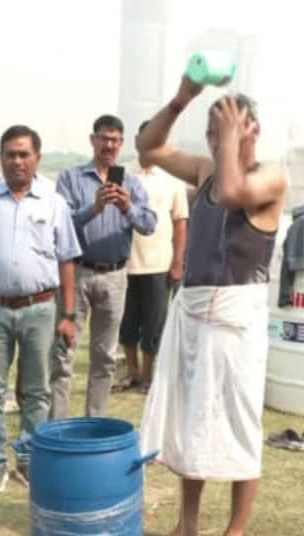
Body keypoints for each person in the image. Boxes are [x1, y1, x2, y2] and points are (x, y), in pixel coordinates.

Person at [136, 79, 286, 536]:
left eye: (222, 127)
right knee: (190, 420)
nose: (213, 137)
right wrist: (183, 98)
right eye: (210, 129)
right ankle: (188, 529)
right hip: (195, 312)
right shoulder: (204, 171)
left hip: (236, 319)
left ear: (251, 130)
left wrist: (230, 143)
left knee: (241, 420)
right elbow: (149, 146)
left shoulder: (271, 177)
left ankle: (235, 532)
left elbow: (232, 191)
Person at [0, 125, 81, 494]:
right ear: (1, 158)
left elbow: (67, 261)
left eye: (24, 154)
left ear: (37, 159)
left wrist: (68, 316)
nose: (17, 161)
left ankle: (27, 460)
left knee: (38, 390)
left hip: (40, 309)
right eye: (10, 154)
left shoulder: (54, 203)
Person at [50, 114, 156, 419]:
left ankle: (93, 422)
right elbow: (60, 223)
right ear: (93, 140)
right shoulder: (71, 178)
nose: (108, 145)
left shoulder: (132, 183)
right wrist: (93, 208)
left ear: (121, 144)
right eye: (103, 138)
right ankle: (59, 425)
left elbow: (149, 225)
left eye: (114, 140)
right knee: (63, 353)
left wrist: (127, 207)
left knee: (105, 356)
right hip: (78, 273)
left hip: (115, 276)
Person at [113, 121, 189, 395]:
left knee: (155, 323)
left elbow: (181, 222)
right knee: (126, 322)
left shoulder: (172, 180)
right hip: (123, 264)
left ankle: (148, 375)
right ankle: (131, 372)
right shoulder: (120, 173)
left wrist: (178, 262)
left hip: (158, 263)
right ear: (136, 141)